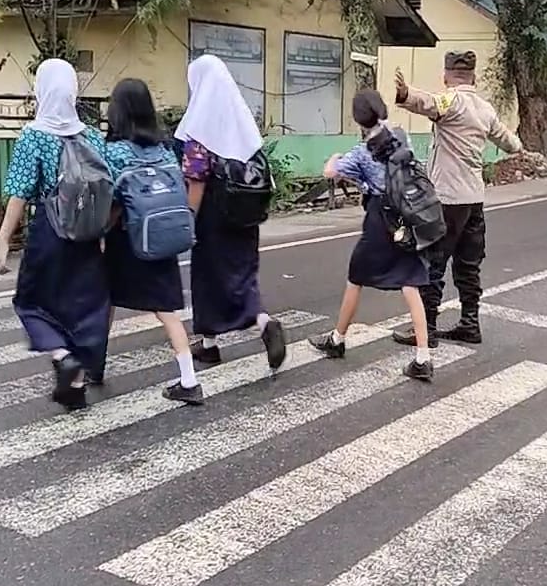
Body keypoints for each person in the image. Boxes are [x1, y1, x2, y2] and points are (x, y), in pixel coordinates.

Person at [0, 58, 110, 410]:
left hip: (50, 232)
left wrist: (2, 242)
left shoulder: (34, 135)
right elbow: (106, 187)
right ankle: (75, 382)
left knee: (31, 302)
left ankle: (62, 356)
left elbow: (19, 192)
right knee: (81, 305)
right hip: (87, 236)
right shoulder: (91, 135)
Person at [392, 51, 521, 349]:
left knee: (432, 263)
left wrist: (405, 93)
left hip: (447, 200)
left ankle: (427, 330)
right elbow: (510, 142)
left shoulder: (452, 100)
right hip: (474, 199)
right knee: (468, 264)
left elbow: (430, 103)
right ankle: (469, 324)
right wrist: (516, 144)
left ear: (446, 76)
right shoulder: (485, 109)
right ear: (474, 77)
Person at [309, 90, 434, 382]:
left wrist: (335, 158)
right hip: (407, 214)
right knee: (411, 282)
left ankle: (337, 340)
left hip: (380, 219)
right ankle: (423, 356)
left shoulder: (362, 151)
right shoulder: (402, 136)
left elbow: (330, 172)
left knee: (356, 277)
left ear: (357, 118)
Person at [175, 54, 286, 373]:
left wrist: (188, 220)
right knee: (242, 276)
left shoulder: (200, 128)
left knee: (208, 279)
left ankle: (238, 334)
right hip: (245, 216)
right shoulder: (242, 121)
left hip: (213, 218)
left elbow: (196, 181)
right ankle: (229, 336)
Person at [103, 77, 204, 405]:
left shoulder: (114, 151)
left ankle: (93, 365)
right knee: (166, 310)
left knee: (104, 299)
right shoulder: (163, 151)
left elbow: (111, 199)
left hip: (126, 241)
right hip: (160, 239)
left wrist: (100, 232)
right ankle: (188, 378)